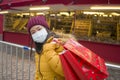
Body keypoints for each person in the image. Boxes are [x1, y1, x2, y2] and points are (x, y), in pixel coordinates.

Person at [27, 15, 65, 80]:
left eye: (39, 29)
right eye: (33, 32)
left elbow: (64, 71)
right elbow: (39, 72)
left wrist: (48, 49)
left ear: (46, 29)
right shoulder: (38, 48)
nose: (37, 33)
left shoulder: (58, 43)